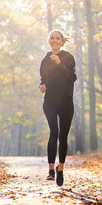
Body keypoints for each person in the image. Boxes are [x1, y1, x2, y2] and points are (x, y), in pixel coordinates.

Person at [39, 29, 76, 186]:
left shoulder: (68, 57)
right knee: (53, 132)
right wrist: (42, 86)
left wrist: (59, 63)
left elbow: (72, 77)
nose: (54, 40)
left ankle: (60, 168)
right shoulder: (45, 60)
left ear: (62, 41)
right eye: (52, 38)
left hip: (66, 101)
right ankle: (50, 171)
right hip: (50, 101)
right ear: (49, 41)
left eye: (57, 38)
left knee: (63, 136)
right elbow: (43, 79)